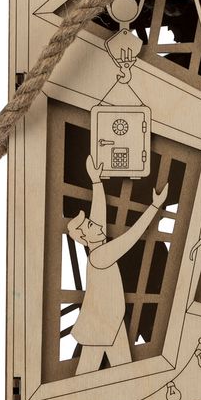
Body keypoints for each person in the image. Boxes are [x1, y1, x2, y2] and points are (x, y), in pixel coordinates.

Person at [68, 155, 168, 375]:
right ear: (85, 237)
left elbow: (99, 214)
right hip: (102, 322)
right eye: (91, 226)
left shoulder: (96, 245)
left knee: (116, 371)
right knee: (90, 372)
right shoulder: (101, 256)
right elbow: (132, 236)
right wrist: (154, 206)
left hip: (110, 320)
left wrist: (96, 182)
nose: (98, 225)